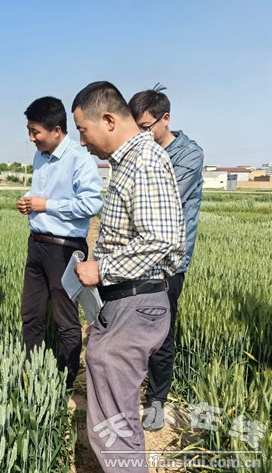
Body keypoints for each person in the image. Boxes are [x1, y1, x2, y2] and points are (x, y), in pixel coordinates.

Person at [71, 81, 185, 472]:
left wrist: (102, 268)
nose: (82, 141)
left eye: (83, 130)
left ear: (107, 119)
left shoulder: (145, 161)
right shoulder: (130, 161)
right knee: (113, 415)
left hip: (136, 301)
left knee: (115, 426)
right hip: (129, 301)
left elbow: (162, 239)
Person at [129, 85, 204, 432]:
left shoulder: (189, 154)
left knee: (161, 331)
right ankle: (129, 390)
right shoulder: (138, 152)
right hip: (135, 258)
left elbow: (164, 198)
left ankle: (157, 399)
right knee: (133, 326)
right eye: (137, 128)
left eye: (146, 127)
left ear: (166, 119)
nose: (142, 134)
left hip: (169, 262)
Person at [17, 96, 103, 390]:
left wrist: (47, 205)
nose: (32, 138)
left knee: (65, 319)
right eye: (29, 131)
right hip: (37, 244)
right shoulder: (40, 157)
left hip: (64, 248)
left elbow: (91, 204)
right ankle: (31, 377)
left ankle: (65, 382)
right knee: (31, 314)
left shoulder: (80, 159)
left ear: (56, 130)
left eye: (36, 132)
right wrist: (28, 202)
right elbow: (41, 195)